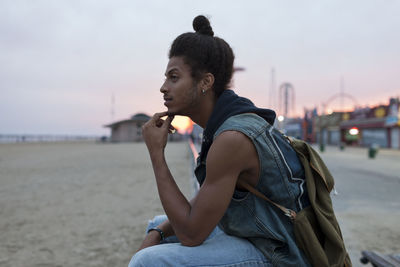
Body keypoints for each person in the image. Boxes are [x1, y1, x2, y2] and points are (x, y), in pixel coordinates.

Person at [129, 15, 310, 267]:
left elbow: (191, 234)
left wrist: (156, 155)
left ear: (205, 82)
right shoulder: (225, 123)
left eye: (173, 77)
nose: (163, 87)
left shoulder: (232, 138)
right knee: (156, 226)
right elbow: (206, 198)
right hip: (259, 234)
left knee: (148, 261)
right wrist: (157, 232)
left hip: (280, 254)